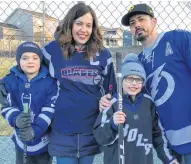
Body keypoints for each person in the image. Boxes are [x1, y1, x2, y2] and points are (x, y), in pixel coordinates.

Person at [99, 3, 191, 164]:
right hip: (170, 140)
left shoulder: (179, 38)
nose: (137, 25)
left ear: (154, 21)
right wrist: (108, 100)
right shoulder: (140, 62)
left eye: (141, 19)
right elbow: (134, 95)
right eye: (132, 23)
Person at [41, 3, 116, 164]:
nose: (84, 29)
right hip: (62, 131)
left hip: (90, 130)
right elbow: (30, 69)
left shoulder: (103, 54)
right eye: (79, 23)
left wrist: (107, 100)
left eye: (89, 25)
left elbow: (112, 89)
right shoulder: (52, 51)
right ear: (70, 24)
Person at [93, 53, 178, 164]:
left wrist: (169, 159)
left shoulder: (148, 103)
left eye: (139, 79)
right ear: (121, 80)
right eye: (130, 78)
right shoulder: (111, 103)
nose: (134, 83)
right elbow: (100, 137)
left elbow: (157, 135)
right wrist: (113, 124)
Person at [1, 41, 58, 164]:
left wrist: (35, 130)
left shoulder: (50, 82)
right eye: (24, 58)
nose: (30, 61)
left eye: (35, 58)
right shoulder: (10, 81)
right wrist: (16, 119)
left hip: (43, 141)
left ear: (40, 60)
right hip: (21, 140)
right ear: (18, 61)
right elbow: (7, 106)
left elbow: (49, 110)